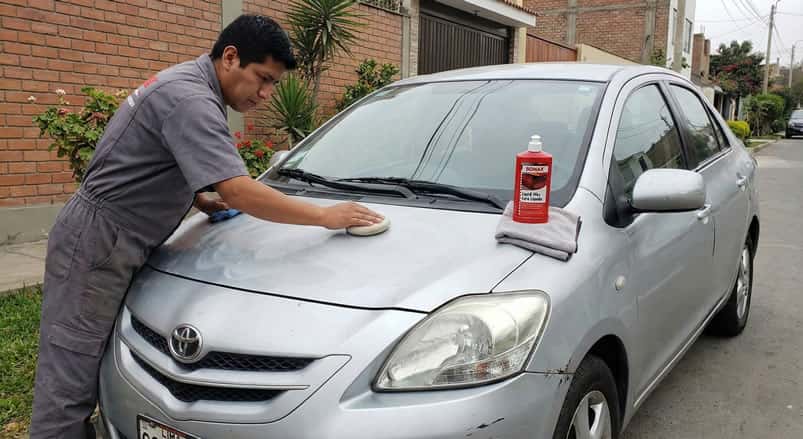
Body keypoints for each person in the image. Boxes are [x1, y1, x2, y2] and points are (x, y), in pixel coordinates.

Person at [29, 14, 383, 438]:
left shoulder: (185, 85)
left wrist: (197, 197)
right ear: (230, 57)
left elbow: (151, 156)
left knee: (92, 362)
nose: (267, 95)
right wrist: (327, 215)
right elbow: (239, 191)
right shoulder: (191, 99)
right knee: (68, 377)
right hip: (99, 240)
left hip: (111, 233)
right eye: (263, 79)